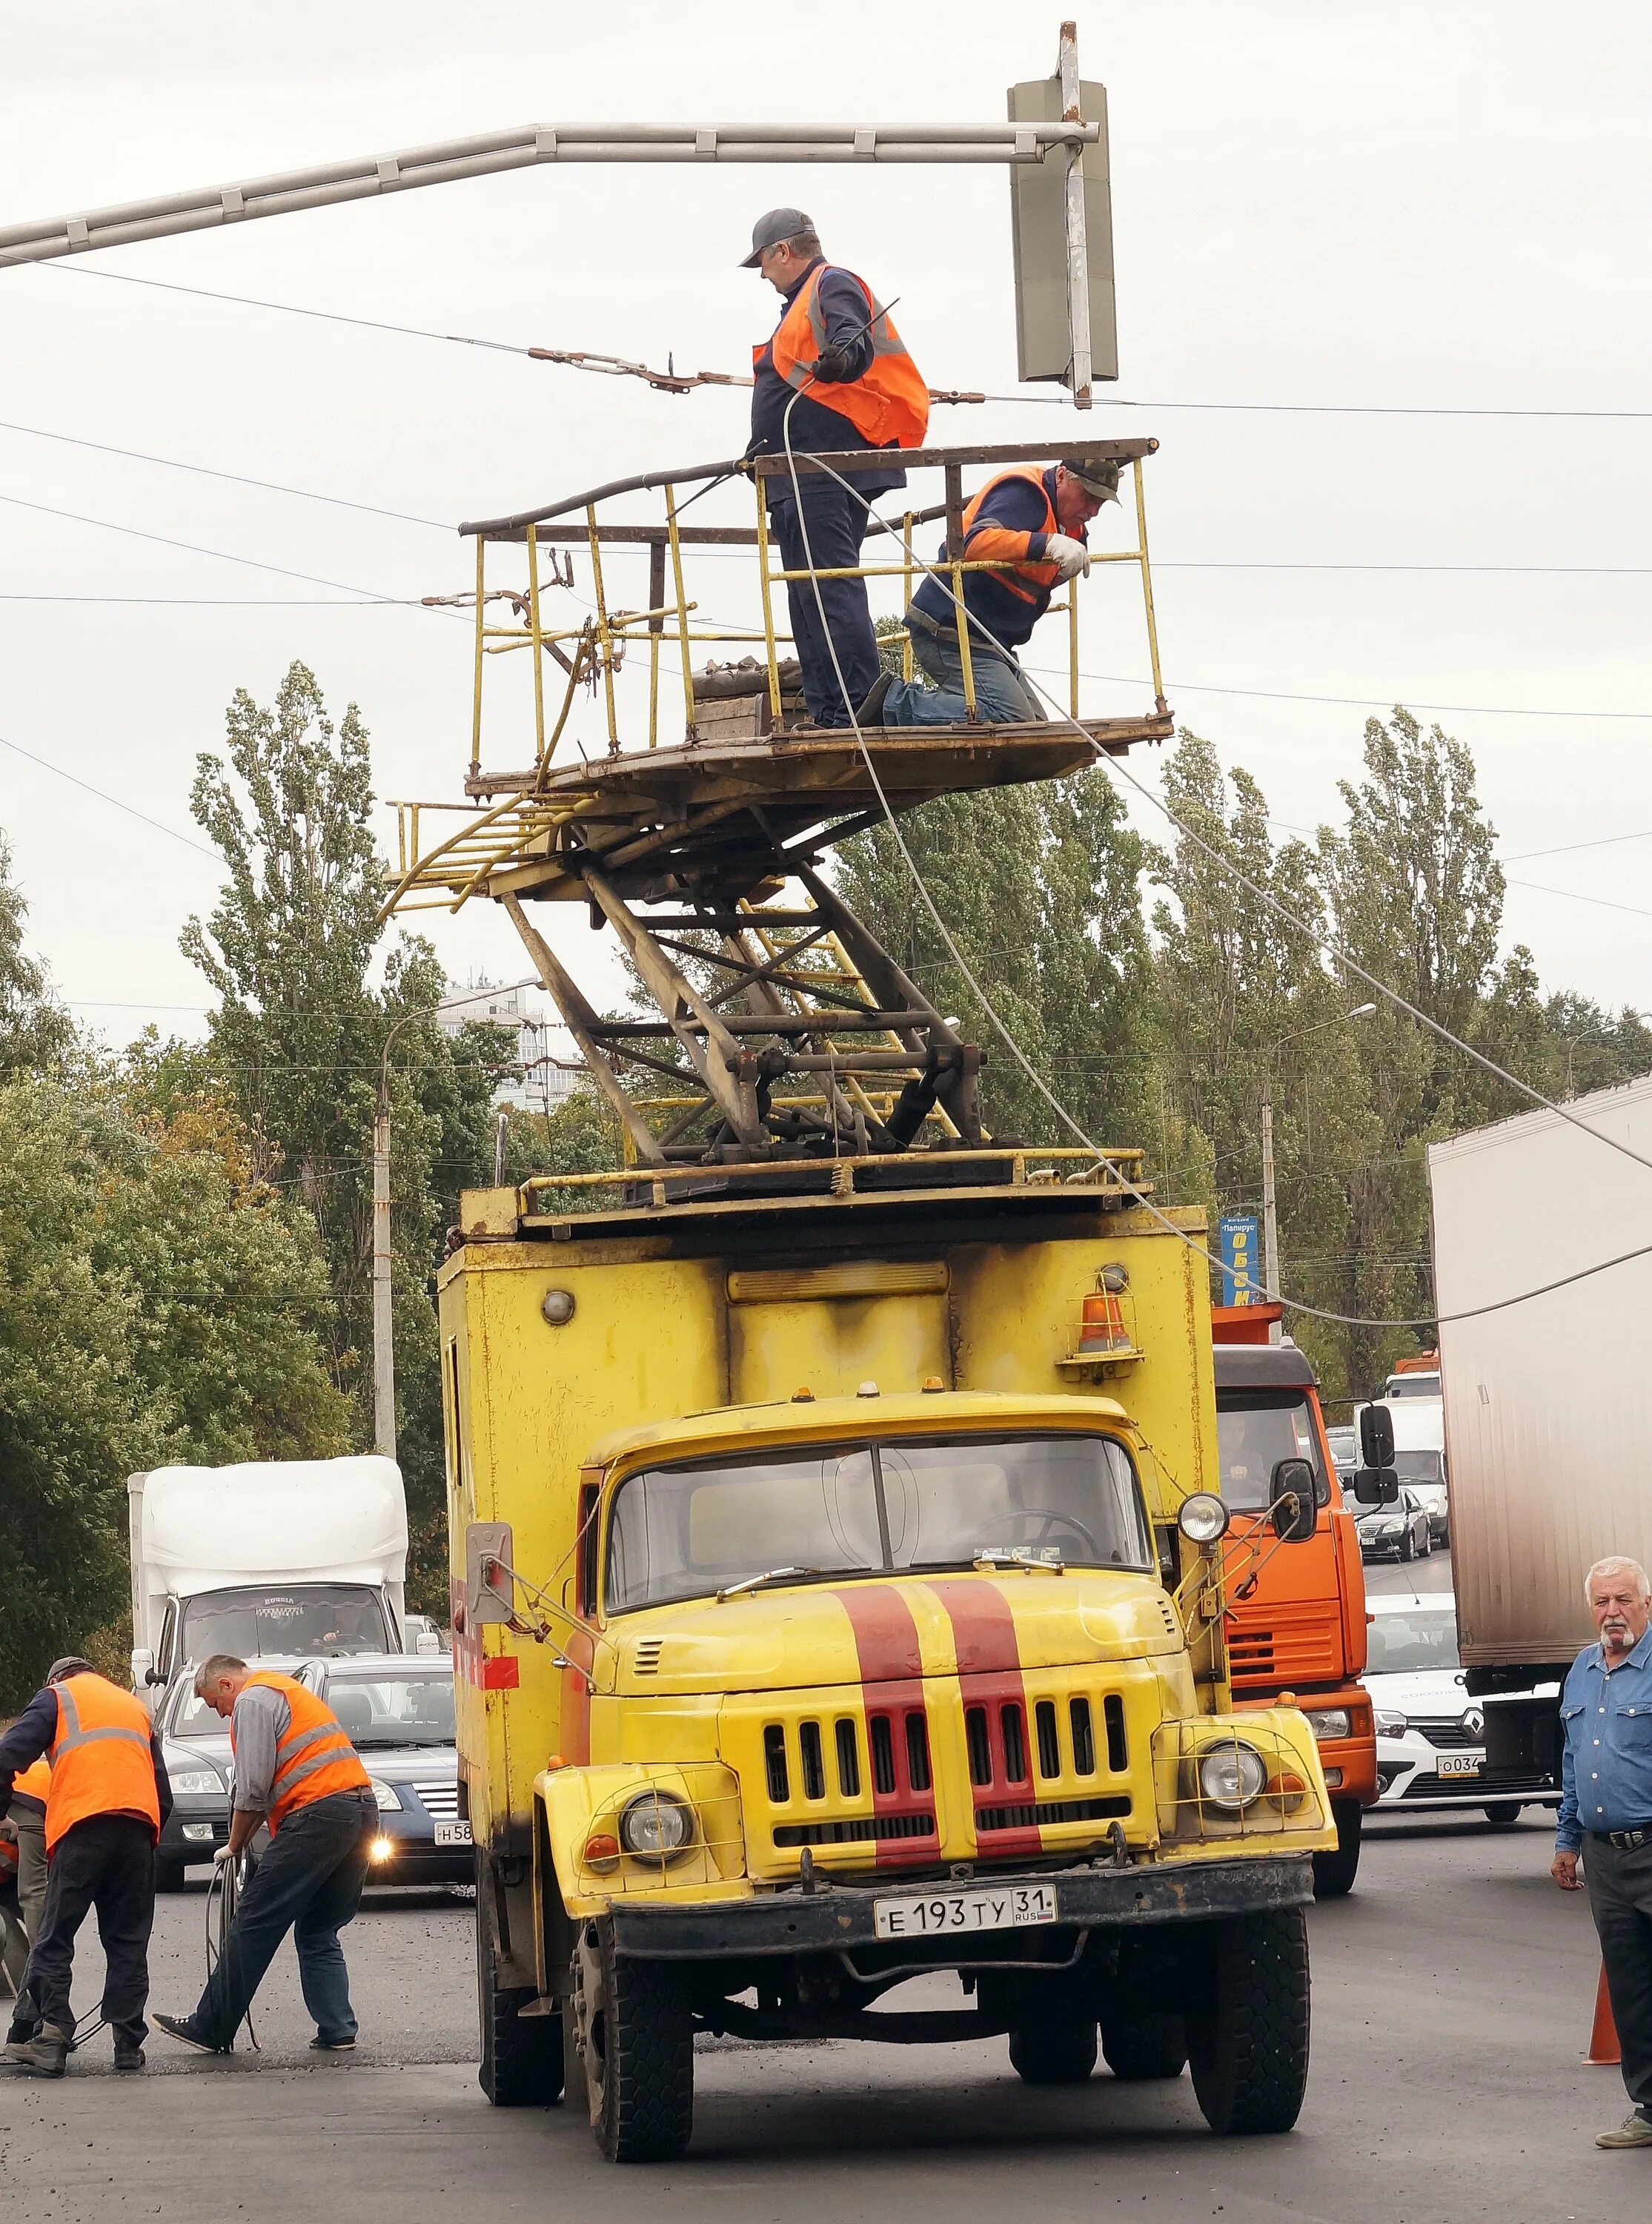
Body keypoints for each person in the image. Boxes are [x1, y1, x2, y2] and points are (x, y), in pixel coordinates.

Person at [743, 206, 929, 729]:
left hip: (825, 471)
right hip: (792, 472)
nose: (762, 273)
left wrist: (843, 357)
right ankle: (829, 711)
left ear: (783, 251)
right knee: (807, 593)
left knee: (829, 585)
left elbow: (853, 341)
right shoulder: (796, 305)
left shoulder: (830, 283)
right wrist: (758, 446)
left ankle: (857, 708)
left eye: (762, 261)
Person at [154, 1654, 377, 2056]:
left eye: (214, 1704)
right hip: (360, 1812)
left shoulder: (253, 1700)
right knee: (318, 1927)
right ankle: (337, 2028)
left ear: (225, 1684)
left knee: (255, 1919)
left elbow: (254, 1788)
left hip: (318, 1815)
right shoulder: (286, 1691)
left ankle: (210, 2026)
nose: (221, 1714)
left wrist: (234, 1845)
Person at [0, 1658, 170, 2077]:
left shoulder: (56, 1697)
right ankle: (128, 2043)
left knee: (55, 1937)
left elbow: (7, 1755)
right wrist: (145, 1839)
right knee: (128, 1940)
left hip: (81, 1828)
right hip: (136, 1831)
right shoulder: (135, 1707)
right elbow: (162, 1792)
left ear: (56, 1678)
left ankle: (54, 2037)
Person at [880, 458, 1121, 727]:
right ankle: (890, 706)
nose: (1093, 511)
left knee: (1036, 727)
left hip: (991, 641)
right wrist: (1046, 544)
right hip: (950, 631)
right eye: (1088, 496)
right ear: (1063, 475)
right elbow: (973, 544)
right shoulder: (1025, 494)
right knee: (1012, 720)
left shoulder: (1073, 532)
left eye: (1101, 503)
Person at [1551, 1555, 1652, 2149]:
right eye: (1600, 1602)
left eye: (1623, 1600)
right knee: (1630, 1987)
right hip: (1603, 1857)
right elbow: (1572, 1762)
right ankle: (1648, 2108)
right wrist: (1567, 1840)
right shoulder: (1583, 1669)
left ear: (1646, 1604)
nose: (1611, 1612)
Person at [1, 1756, 50, 2033]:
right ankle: (40, 2021)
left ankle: (31, 2020)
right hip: (28, 1804)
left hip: (26, 1801)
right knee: (41, 1920)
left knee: (36, 1926)